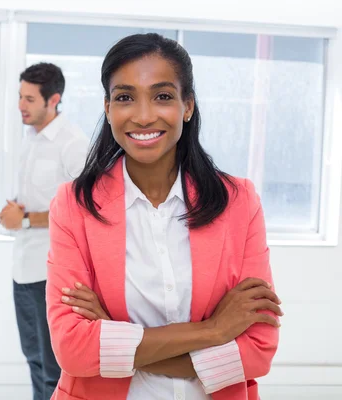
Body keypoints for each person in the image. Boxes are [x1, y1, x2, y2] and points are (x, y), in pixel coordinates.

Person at [46, 33, 282, 400]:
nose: (143, 116)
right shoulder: (73, 205)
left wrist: (113, 336)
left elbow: (257, 350)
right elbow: (73, 350)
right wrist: (214, 331)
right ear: (107, 108)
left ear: (187, 106)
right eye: (125, 97)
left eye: (162, 96)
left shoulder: (240, 202)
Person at [0, 62, 89, 400]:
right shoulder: (29, 139)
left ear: (54, 100)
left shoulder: (72, 143)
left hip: (52, 274)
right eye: (20, 97)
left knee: (54, 368)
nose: (21, 105)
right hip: (22, 267)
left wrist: (23, 219)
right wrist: (15, 213)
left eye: (30, 99)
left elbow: (83, 210)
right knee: (33, 360)